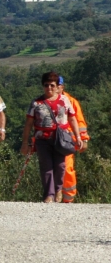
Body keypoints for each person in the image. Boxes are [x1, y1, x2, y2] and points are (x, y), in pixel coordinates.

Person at [21, 72, 82, 203]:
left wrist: (78, 136)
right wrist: (25, 142)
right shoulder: (36, 103)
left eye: (52, 85)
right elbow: (29, 123)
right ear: (43, 86)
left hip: (61, 139)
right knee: (46, 166)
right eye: (46, 85)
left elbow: (72, 118)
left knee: (60, 166)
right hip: (42, 139)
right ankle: (49, 194)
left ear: (57, 86)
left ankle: (59, 189)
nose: (49, 88)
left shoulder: (64, 100)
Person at [58, 77, 89, 203]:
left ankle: (68, 199)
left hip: (68, 141)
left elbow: (80, 121)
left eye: (57, 85)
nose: (54, 88)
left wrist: (83, 139)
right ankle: (53, 196)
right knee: (50, 169)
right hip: (50, 140)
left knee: (67, 168)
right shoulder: (45, 101)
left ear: (62, 86)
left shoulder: (71, 101)